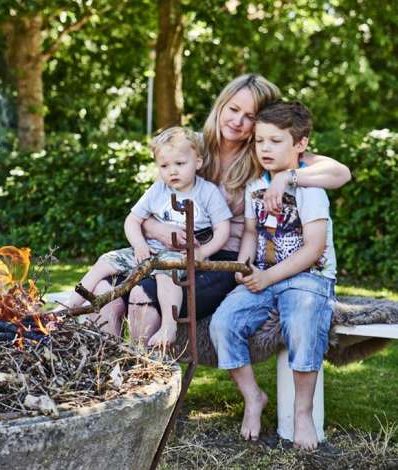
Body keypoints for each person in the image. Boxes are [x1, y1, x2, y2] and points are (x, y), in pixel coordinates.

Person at [91, 74, 350, 339]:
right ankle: (106, 371)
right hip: (170, 254)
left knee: (142, 293)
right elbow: (151, 205)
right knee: (104, 290)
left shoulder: (263, 154)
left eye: (249, 116)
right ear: (222, 105)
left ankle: (146, 370)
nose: (238, 121)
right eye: (234, 109)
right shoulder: (189, 145)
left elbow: (341, 173)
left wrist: (287, 176)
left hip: (223, 261)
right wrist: (157, 228)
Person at [209, 101, 336, 451]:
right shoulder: (254, 186)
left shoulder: (311, 189)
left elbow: (312, 250)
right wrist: (244, 264)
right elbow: (251, 232)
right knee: (223, 324)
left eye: (275, 141)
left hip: (309, 278)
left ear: (300, 144)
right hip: (264, 276)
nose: (264, 148)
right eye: (260, 140)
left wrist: (268, 278)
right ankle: (253, 397)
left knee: (302, 321)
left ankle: (303, 412)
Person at [68, 128, 231, 347]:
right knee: (105, 261)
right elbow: (132, 220)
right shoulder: (158, 189)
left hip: (179, 255)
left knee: (167, 272)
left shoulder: (207, 192)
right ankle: (68, 308)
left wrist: (202, 252)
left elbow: (223, 230)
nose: (172, 171)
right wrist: (139, 245)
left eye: (180, 164)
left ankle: (168, 327)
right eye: (164, 166)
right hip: (149, 250)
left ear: (198, 162)